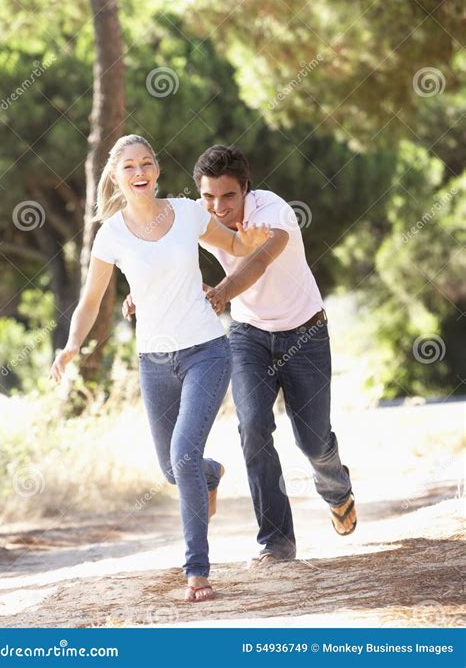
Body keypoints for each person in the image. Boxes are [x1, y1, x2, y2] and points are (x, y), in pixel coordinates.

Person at [50, 135, 272, 600]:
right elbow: (91, 300)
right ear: (116, 176)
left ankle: (197, 571)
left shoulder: (188, 212)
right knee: (174, 469)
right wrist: (71, 345)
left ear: (157, 170)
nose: (139, 171)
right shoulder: (110, 234)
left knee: (183, 455)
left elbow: (231, 245)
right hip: (154, 362)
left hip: (206, 352)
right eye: (129, 165)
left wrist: (248, 243)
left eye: (147, 162)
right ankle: (212, 475)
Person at [124, 144, 356, 566]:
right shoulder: (194, 215)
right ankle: (277, 542)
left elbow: (260, 260)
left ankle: (336, 488)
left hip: (305, 333)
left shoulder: (274, 211)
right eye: (208, 196)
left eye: (228, 196)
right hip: (249, 336)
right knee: (252, 428)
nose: (218, 207)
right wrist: (139, 292)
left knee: (314, 441)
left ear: (246, 190)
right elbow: (161, 257)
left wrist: (222, 293)